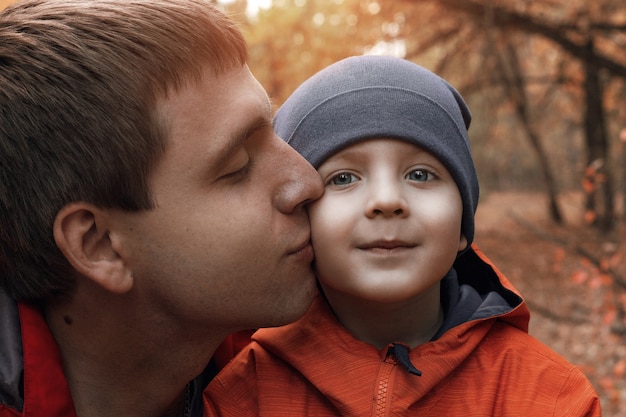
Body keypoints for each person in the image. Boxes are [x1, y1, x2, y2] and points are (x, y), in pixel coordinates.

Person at [204, 55, 601, 416]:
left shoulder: (549, 398)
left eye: (420, 174)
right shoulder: (244, 395)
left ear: (462, 225)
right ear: (300, 217)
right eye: (343, 178)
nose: (387, 200)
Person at [0, 0, 323, 416]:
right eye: (238, 165)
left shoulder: (326, 358)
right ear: (101, 245)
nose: (308, 181)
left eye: (274, 130)